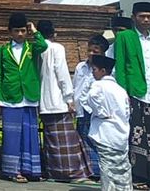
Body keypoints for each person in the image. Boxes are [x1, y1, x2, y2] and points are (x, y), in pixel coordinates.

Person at [0, 13, 47, 183]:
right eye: (17, 31)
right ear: (10, 32)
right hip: (10, 97)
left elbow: (43, 45)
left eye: (23, 30)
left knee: (30, 134)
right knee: (12, 135)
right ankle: (12, 170)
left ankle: (30, 170)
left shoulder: (32, 48)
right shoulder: (2, 51)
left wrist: (35, 31)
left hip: (29, 96)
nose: (20, 34)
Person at [36, 20, 91, 183]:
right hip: (58, 101)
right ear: (54, 33)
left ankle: (55, 173)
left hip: (43, 101)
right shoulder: (56, 48)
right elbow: (62, 74)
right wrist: (69, 98)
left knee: (52, 142)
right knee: (67, 141)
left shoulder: (36, 49)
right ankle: (72, 173)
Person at [114, 1, 150, 190]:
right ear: (133, 18)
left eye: (149, 16)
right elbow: (120, 66)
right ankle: (139, 176)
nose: (146, 20)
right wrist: (123, 93)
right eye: (142, 16)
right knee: (138, 137)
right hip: (136, 93)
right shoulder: (125, 37)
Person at [82, 55, 132, 191]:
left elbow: (90, 98)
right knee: (122, 166)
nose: (93, 72)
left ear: (103, 71)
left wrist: (100, 113)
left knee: (107, 167)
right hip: (121, 132)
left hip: (106, 132)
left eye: (95, 69)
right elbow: (127, 111)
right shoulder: (120, 90)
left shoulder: (98, 85)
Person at [73, 34, 109, 180]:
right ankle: (90, 170)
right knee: (83, 138)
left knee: (96, 139)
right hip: (82, 109)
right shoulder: (81, 67)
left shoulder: (105, 69)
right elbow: (76, 87)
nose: (91, 54)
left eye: (96, 52)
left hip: (96, 110)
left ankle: (99, 171)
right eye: (90, 51)